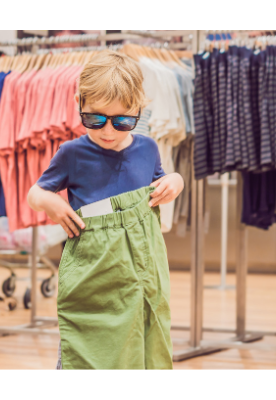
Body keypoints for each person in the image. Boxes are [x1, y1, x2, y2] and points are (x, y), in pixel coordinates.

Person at [28, 51, 184, 370]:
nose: (108, 131)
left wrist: (176, 181)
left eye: (123, 121)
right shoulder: (72, 153)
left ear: (139, 110)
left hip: (143, 267)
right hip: (93, 271)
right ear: (78, 103)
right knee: (85, 345)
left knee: (143, 341)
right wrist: (50, 202)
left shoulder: (147, 149)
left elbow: (161, 179)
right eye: (95, 119)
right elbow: (35, 193)